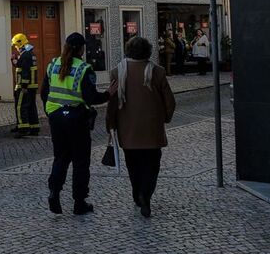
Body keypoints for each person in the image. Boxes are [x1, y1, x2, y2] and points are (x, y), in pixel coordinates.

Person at [40, 32, 114, 215]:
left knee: (60, 158)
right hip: (77, 119)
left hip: (56, 117)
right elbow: (91, 98)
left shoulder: (53, 65)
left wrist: (50, 112)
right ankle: (79, 202)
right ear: (82, 49)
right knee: (80, 161)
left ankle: (54, 193)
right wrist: (108, 94)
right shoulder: (84, 69)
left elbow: (44, 93)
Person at [107, 36, 176, 218]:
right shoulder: (158, 72)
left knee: (133, 164)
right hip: (152, 130)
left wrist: (111, 124)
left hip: (128, 130)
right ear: (148, 52)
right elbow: (170, 101)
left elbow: (112, 102)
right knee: (152, 165)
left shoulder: (117, 72)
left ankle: (137, 193)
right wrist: (165, 118)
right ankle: (145, 194)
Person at [11, 33, 40, 138]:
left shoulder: (25, 55)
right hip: (32, 86)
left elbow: (25, 72)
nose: (15, 47)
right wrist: (14, 62)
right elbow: (21, 66)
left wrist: (23, 86)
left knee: (21, 107)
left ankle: (23, 128)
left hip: (25, 87)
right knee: (31, 107)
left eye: (15, 45)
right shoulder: (30, 54)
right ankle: (34, 127)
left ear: (20, 44)